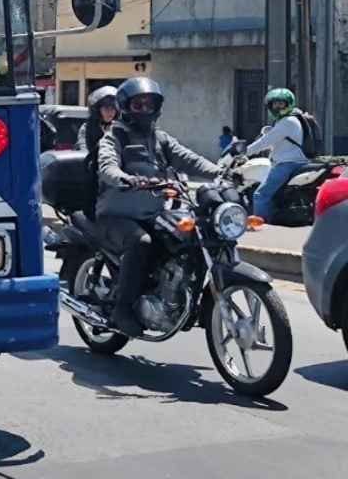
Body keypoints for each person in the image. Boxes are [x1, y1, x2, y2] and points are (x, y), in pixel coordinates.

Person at [96, 77, 220, 336]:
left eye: (149, 104)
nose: (145, 110)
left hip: (152, 213)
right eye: (138, 105)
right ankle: (122, 310)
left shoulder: (160, 138)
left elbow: (190, 159)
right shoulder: (114, 136)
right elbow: (107, 166)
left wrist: (221, 172)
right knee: (140, 243)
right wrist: (126, 179)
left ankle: (174, 297)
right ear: (126, 107)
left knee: (187, 238)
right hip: (115, 216)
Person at [244, 88, 308, 223]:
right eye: (275, 104)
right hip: (298, 162)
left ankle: (262, 225)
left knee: (260, 195)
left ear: (288, 103)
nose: (277, 107)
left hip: (287, 164)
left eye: (281, 103)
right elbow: (273, 136)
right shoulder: (294, 119)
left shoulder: (287, 121)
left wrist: (244, 151)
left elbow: (265, 142)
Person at [76, 86, 119, 218]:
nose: (110, 112)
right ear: (97, 109)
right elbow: (82, 147)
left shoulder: (121, 128)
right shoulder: (88, 128)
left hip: (119, 171)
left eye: (113, 108)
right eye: (106, 108)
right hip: (96, 173)